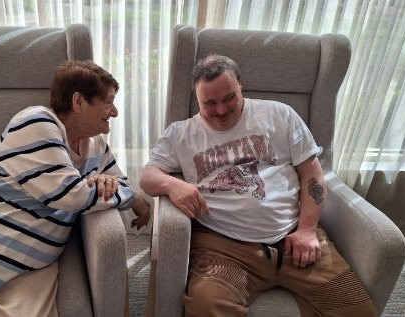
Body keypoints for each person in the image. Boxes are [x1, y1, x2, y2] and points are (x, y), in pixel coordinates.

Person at [0, 60, 150, 317]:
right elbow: (68, 195)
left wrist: (112, 185)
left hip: (31, 270)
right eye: (108, 101)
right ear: (78, 102)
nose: (114, 112)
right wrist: (135, 199)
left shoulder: (96, 146)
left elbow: (119, 182)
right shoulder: (35, 122)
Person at [140, 54, 376, 316]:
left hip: (295, 238)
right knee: (207, 306)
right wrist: (173, 185)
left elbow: (312, 173)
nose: (221, 110)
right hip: (224, 248)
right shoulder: (180, 133)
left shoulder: (279, 114)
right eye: (210, 103)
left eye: (229, 97)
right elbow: (148, 176)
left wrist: (307, 230)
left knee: (357, 309)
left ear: (241, 86)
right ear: (198, 99)